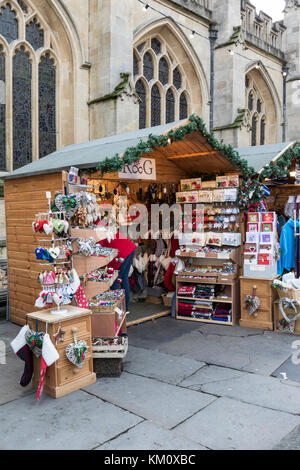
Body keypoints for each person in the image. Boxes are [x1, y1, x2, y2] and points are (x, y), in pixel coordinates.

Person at [98, 231, 136, 312]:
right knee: (123, 277)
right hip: (129, 248)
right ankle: (125, 307)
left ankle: (117, 308)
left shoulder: (97, 233)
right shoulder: (103, 227)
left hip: (122, 252)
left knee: (116, 278)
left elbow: (99, 252)